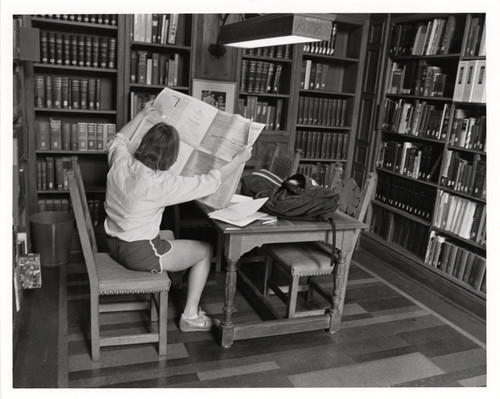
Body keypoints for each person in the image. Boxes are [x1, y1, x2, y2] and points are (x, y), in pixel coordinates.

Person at [104, 102, 252, 332]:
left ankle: (173, 285)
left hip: (113, 242)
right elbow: (211, 182)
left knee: (170, 234)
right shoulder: (161, 184)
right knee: (205, 251)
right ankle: (190, 316)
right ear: (171, 157)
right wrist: (240, 160)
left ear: (145, 143)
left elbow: (119, 139)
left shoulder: (121, 161)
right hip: (137, 252)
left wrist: (142, 113)